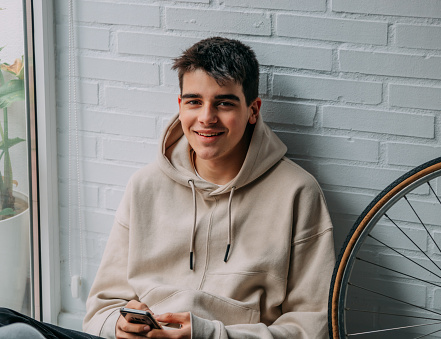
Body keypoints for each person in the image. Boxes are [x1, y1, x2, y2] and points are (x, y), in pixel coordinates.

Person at [0, 36, 335, 339]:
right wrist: (119, 324)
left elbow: (312, 328)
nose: (206, 117)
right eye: (194, 102)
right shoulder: (146, 185)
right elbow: (100, 310)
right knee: (7, 323)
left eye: (224, 103)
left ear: (253, 110)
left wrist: (208, 334)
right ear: (180, 106)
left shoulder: (298, 193)